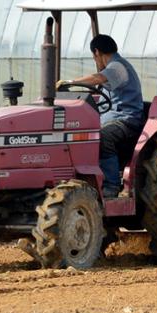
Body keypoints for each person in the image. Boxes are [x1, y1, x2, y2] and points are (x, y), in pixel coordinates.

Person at [57, 34, 145, 198]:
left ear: (96, 52)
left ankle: (111, 185)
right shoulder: (114, 68)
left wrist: (69, 82)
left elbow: (98, 78)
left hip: (127, 119)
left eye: (93, 57)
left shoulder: (118, 67)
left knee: (103, 136)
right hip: (113, 117)